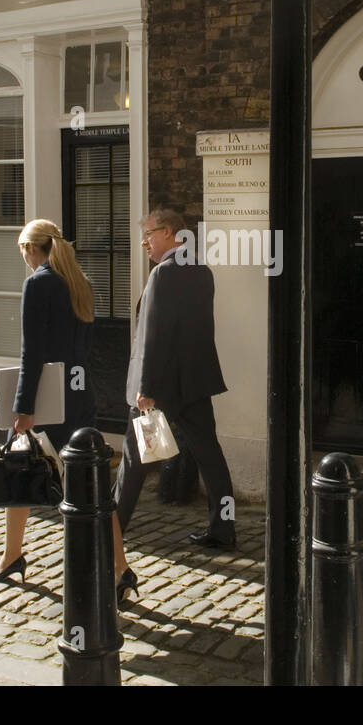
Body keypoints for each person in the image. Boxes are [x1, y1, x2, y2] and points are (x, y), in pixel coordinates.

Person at [111, 207, 237, 605]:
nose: (144, 242)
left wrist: (147, 388)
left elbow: (154, 335)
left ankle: (109, 534)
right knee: (210, 456)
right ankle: (224, 528)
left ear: (169, 232)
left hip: (160, 388)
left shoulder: (164, 273)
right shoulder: (202, 270)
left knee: (133, 464)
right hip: (193, 383)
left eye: (148, 234)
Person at [0, 218, 96, 582]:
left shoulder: (38, 283)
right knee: (86, 478)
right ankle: (11, 555)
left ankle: (13, 557)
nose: (24, 258)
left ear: (32, 248)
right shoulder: (79, 281)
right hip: (78, 392)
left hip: (47, 399)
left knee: (20, 464)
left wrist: (23, 407)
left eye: (23, 251)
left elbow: (31, 353)